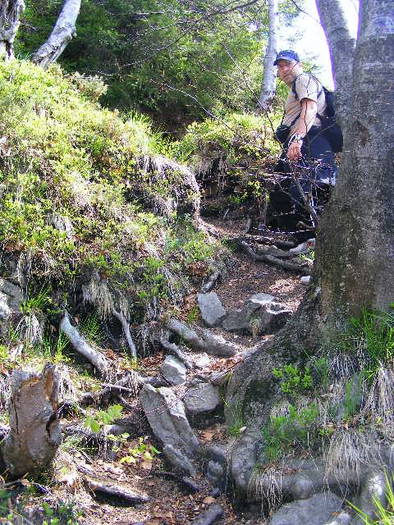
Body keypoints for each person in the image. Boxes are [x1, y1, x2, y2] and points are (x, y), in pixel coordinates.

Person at [268, 50, 339, 241]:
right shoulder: (295, 87)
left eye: (287, 65)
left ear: (299, 65)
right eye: (280, 66)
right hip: (306, 140)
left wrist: (297, 139)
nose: (284, 70)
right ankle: (295, 239)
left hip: (309, 139)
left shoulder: (303, 79)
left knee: (302, 188)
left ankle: (306, 240)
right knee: (281, 188)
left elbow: (310, 108)